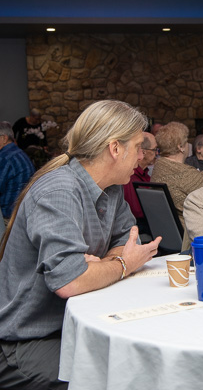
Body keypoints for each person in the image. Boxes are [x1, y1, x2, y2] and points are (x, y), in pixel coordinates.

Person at [0, 100, 162, 389]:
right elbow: (71, 281)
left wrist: (103, 266)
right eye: (138, 146)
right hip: (26, 340)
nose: (142, 156)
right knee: (117, 379)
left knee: (142, 366)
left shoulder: (111, 188)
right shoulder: (59, 190)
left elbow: (126, 238)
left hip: (75, 325)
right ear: (115, 148)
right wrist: (124, 264)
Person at [151, 121, 203, 225]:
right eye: (186, 141)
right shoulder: (186, 175)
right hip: (194, 231)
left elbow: (198, 174)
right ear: (181, 147)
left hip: (169, 229)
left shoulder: (158, 168)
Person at [123, 132, 157, 235]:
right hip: (137, 227)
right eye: (154, 149)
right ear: (143, 152)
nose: (157, 154)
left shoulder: (145, 173)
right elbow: (137, 211)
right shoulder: (129, 177)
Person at [0, 121, 35, 222]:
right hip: (23, 212)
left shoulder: (4, 157)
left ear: (4, 138)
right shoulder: (19, 153)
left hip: (8, 216)